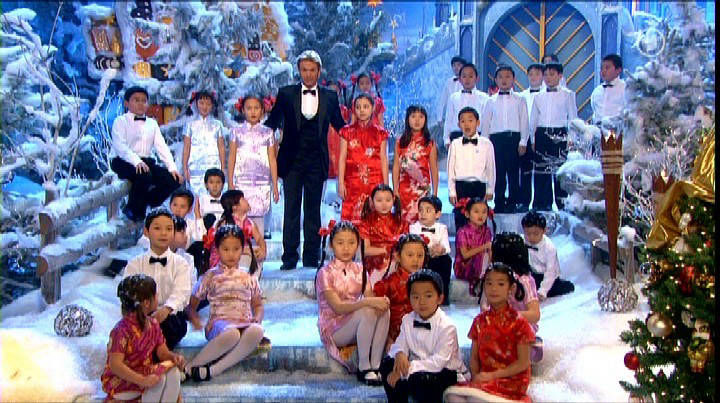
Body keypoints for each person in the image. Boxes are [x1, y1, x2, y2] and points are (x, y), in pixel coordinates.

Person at [264, 50, 346, 270]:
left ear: (319, 71)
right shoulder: (286, 94)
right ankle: (289, 257)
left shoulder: (330, 97)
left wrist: (362, 133)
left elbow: (341, 126)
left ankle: (311, 257)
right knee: (291, 210)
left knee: (312, 211)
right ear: (299, 71)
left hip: (317, 162)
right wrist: (249, 132)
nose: (308, 74)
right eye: (304, 70)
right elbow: (271, 123)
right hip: (291, 161)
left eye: (312, 70)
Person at [443, 263, 535, 403]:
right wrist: (476, 377)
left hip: (511, 380)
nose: (494, 289)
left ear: (511, 288)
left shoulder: (520, 323)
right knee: (453, 397)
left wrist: (493, 376)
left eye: (500, 284)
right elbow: (474, 358)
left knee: (475, 400)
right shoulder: (479, 321)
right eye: (489, 283)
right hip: (485, 378)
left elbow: (523, 363)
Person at [185, 225, 264, 382]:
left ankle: (213, 370)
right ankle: (190, 366)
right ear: (217, 249)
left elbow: (258, 305)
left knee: (257, 330)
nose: (231, 254)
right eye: (226, 249)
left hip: (244, 323)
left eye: (236, 249)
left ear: (242, 249)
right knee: (232, 334)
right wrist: (195, 319)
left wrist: (257, 318)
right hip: (219, 325)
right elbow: (191, 306)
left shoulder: (249, 277)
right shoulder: (210, 276)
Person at [315, 220, 390, 385]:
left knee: (383, 309)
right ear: (331, 245)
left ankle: (376, 365)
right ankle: (364, 367)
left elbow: (369, 297)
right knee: (368, 309)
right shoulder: (325, 273)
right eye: (340, 243)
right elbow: (338, 307)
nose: (346, 248)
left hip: (355, 320)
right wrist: (367, 302)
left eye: (351, 243)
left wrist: (379, 302)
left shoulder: (360, 269)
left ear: (357, 245)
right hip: (334, 326)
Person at [380, 270, 468, 403]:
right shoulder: (407, 319)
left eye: (428, 296)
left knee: (420, 379)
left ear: (440, 298)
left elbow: (438, 362)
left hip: (445, 371)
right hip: (418, 366)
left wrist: (407, 368)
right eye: (415, 297)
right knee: (387, 363)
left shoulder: (447, 326)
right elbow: (400, 343)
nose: (421, 302)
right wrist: (399, 353)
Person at [101, 274, 185, 402]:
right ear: (146, 302)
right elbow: (115, 365)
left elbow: (162, 353)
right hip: (123, 378)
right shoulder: (121, 330)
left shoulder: (153, 324)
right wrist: (142, 380)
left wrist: (173, 357)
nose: (157, 296)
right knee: (159, 380)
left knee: (173, 372)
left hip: (143, 372)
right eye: (155, 294)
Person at [123, 208, 192, 350]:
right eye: (157, 228)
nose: (163, 233)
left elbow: (182, 293)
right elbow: (128, 292)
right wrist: (143, 313)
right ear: (146, 232)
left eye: (169, 229)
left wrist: (166, 310)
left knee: (168, 327)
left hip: (170, 316)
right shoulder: (135, 263)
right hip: (142, 315)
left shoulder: (181, 263)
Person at [111, 86, 183, 222]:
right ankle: (133, 210)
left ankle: (147, 202)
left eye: (144, 101)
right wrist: (136, 161)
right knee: (144, 175)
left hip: (145, 162)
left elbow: (162, 147)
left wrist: (172, 168)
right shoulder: (120, 121)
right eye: (136, 100)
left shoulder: (152, 123)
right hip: (123, 160)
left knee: (173, 180)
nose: (141, 104)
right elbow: (120, 146)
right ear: (126, 103)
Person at [482, 232, 543, 363]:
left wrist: (508, 315)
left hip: (520, 331)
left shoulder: (525, 281)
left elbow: (535, 314)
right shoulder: (491, 279)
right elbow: (484, 307)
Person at [228, 95, 280, 238]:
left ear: (262, 110)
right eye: (249, 108)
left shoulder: (268, 133)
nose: (253, 112)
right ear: (243, 110)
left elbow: (272, 159)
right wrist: (230, 182)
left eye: (256, 108)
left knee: (258, 226)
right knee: (240, 223)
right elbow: (232, 157)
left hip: (262, 184)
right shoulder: (236, 132)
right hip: (241, 182)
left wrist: (275, 185)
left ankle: (259, 251)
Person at [481, 65, 529, 214]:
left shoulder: (520, 100)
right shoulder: (490, 101)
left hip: (514, 139)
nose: (504, 80)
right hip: (496, 140)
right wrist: (484, 144)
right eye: (500, 77)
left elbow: (524, 121)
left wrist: (523, 141)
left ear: (513, 79)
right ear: (495, 80)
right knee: (498, 173)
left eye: (508, 76)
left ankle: (513, 202)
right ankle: (499, 202)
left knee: (514, 174)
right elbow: (486, 123)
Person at [530, 62, 577, 211]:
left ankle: (562, 203)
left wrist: (572, 138)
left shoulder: (568, 95)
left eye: (552, 74)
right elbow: (534, 119)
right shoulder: (538, 96)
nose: (548, 78)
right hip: (542, 133)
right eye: (545, 75)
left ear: (560, 75)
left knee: (560, 170)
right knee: (541, 170)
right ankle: (541, 203)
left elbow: (573, 118)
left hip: (560, 134)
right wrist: (532, 138)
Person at [338, 94, 389, 224]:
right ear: (354, 109)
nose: (361, 110)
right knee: (351, 221)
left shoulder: (380, 133)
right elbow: (342, 158)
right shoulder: (346, 132)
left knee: (374, 218)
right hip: (352, 183)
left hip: (374, 182)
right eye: (358, 107)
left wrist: (386, 185)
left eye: (365, 107)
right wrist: (340, 183)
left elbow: (383, 159)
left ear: (372, 108)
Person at [373, 234, 428, 349]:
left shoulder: (428, 282)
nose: (415, 260)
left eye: (420, 255)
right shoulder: (389, 282)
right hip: (396, 332)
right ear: (397, 256)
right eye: (410, 255)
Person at [447, 106, 495, 230]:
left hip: (479, 187)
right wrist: (452, 191)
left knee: (479, 221)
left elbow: (491, 169)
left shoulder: (486, 144)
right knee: (461, 221)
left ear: (478, 123)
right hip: (461, 187)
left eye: (470, 120)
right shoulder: (455, 144)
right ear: (458, 124)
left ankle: (480, 242)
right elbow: (450, 170)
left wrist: (490, 190)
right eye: (463, 121)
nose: (467, 124)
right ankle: (461, 243)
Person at [392, 105, 438, 225]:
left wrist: (435, 193)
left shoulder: (430, 143)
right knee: (403, 224)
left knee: (422, 222)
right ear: (407, 119)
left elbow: (434, 169)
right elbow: (396, 167)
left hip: (423, 191)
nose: (417, 120)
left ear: (425, 120)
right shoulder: (400, 142)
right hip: (404, 191)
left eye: (421, 117)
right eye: (413, 116)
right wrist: (395, 189)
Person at [208, 190, 266, 278]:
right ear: (235, 207)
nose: (247, 201)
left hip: (240, 253)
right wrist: (247, 251)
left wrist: (263, 249)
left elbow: (259, 239)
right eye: (243, 199)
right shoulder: (225, 224)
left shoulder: (249, 223)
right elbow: (226, 247)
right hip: (224, 258)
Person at [358, 184, 408, 287]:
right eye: (379, 200)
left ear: (393, 200)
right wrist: (386, 251)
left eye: (388, 200)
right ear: (372, 201)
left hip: (397, 262)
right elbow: (366, 250)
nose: (384, 204)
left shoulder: (402, 223)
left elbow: (407, 248)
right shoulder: (366, 222)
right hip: (374, 264)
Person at [409, 196, 452, 306]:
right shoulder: (414, 227)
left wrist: (440, 250)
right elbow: (414, 245)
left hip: (437, 257)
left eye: (428, 210)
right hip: (422, 257)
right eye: (420, 210)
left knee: (446, 260)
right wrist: (428, 250)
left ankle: (443, 295)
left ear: (437, 214)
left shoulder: (442, 228)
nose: (423, 214)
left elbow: (446, 247)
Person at [522, 211, 575, 299]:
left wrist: (542, 291)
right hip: (533, 274)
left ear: (544, 231)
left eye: (535, 234)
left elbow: (550, 272)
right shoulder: (524, 241)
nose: (531, 237)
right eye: (528, 234)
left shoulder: (549, 248)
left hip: (549, 276)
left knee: (560, 288)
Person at [182, 90, 225, 196]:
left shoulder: (217, 124)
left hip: (213, 165)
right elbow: (186, 147)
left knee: (213, 195)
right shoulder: (190, 124)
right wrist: (185, 168)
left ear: (212, 106)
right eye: (201, 103)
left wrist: (223, 167)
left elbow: (221, 147)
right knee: (195, 196)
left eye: (208, 104)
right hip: (194, 167)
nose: (204, 107)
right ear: (196, 104)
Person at [518, 63, 545, 212]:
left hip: (541, 136)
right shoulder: (521, 96)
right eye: (531, 74)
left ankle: (541, 202)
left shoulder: (546, 94)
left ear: (542, 76)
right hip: (525, 137)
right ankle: (524, 201)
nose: (534, 77)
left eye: (537, 74)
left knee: (542, 171)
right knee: (525, 171)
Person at [454, 198, 494, 296]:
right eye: (476, 211)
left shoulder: (487, 231)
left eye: (484, 212)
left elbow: (489, 250)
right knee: (480, 255)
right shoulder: (462, 232)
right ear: (467, 214)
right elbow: (465, 255)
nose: (481, 215)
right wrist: (484, 247)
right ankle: (477, 282)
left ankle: (486, 276)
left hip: (483, 263)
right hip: (465, 266)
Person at [443, 63, 489, 148]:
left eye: (470, 76)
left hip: (477, 137)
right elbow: (448, 120)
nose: (467, 79)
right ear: (460, 79)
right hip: (457, 136)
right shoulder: (453, 97)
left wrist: (485, 139)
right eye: (464, 76)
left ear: (477, 79)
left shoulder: (484, 97)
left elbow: (486, 121)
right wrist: (446, 139)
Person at [590, 54, 626, 125]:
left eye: (607, 68)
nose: (603, 71)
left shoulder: (625, 89)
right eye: (601, 68)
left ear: (618, 70)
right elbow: (595, 112)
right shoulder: (597, 91)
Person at [327, 80, 352, 179]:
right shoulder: (322, 107)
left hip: (338, 137)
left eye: (335, 90)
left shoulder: (343, 109)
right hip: (327, 135)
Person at [436, 55, 466, 125]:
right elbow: (442, 101)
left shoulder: (468, 81)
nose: (456, 68)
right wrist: (439, 118)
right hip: (450, 119)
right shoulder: (448, 82)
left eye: (458, 65)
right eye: (454, 65)